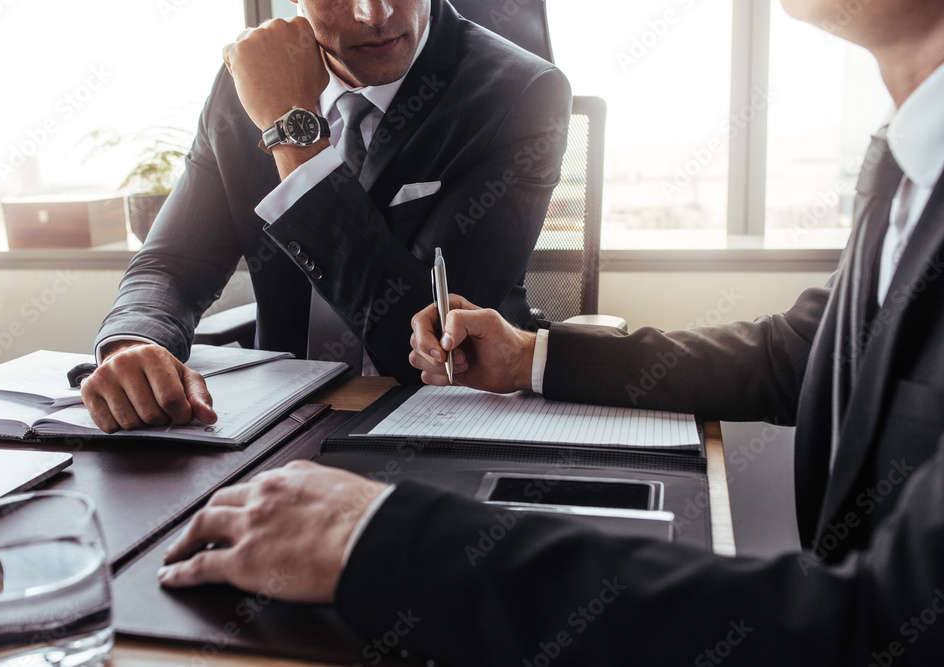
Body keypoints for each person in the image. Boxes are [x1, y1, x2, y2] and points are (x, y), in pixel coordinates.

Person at [158, 0, 944, 663]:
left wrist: (392, 543)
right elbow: (792, 354)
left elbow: (884, 621)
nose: (371, 12)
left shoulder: (512, 86)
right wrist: (537, 355)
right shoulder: (911, 160)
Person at [82, 0, 570, 433]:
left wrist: (294, 137)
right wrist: (132, 345)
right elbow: (175, 262)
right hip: (280, 419)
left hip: (449, 416)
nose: (373, 15)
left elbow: (436, 342)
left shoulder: (521, 92)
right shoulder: (247, 83)